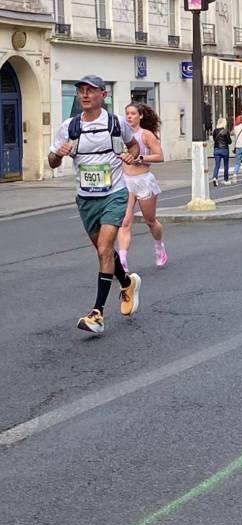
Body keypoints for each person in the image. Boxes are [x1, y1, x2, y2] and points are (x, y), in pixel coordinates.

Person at [47, 75, 142, 335]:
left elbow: (133, 146)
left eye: (90, 90)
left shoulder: (115, 122)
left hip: (114, 193)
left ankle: (97, 313)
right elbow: (51, 162)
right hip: (86, 198)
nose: (85, 95)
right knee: (105, 253)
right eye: (81, 91)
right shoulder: (69, 127)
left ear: (103, 94)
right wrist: (59, 153)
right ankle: (128, 283)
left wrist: (130, 156)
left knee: (104, 249)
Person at [117, 102, 167, 271]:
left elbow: (160, 156)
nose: (129, 116)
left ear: (141, 116)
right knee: (125, 222)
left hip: (144, 180)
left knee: (150, 220)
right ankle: (122, 259)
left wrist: (142, 159)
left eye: (132, 113)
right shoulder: (121, 134)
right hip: (126, 182)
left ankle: (159, 246)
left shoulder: (146, 135)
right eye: (127, 113)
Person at [211, 117, 232, 187]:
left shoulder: (215, 131)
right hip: (224, 149)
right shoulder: (225, 131)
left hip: (216, 149)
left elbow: (214, 139)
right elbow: (229, 141)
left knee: (217, 165)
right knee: (226, 165)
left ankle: (214, 177)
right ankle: (226, 180)